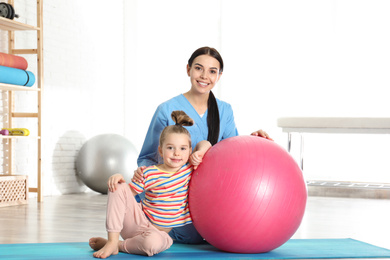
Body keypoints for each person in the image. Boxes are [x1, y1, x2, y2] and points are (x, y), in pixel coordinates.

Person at [134, 46, 272, 244]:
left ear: (219, 75)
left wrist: (253, 140)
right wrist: (154, 190)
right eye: (199, 68)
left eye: (212, 71)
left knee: (220, 232)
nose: (204, 76)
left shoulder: (224, 110)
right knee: (192, 236)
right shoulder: (166, 110)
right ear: (188, 69)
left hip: (210, 195)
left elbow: (232, 154)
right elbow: (147, 157)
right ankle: (150, 224)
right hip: (175, 198)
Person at [89, 110, 212, 258]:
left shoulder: (189, 169)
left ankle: (119, 246)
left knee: (152, 245)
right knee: (118, 186)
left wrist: (200, 152)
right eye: (170, 148)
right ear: (161, 151)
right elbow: (126, 196)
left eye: (183, 148)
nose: (177, 153)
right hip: (137, 224)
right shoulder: (149, 173)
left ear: (189, 151)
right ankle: (112, 240)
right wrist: (118, 179)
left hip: (158, 235)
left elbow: (205, 143)